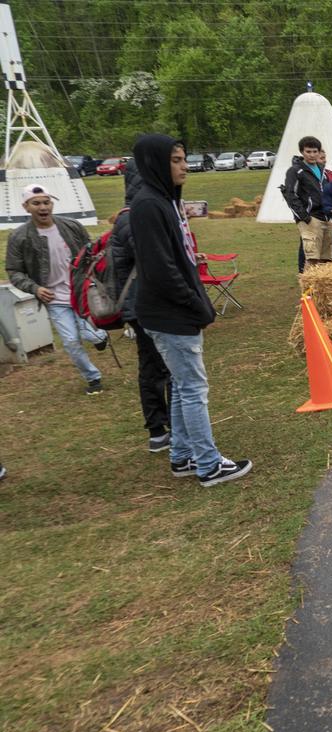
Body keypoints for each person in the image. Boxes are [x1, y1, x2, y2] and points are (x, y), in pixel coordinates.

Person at [131, 133, 251, 487]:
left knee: (184, 387)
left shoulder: (165, 200)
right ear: (156, 163)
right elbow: (160, 271)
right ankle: (209, 464)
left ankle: (182, 456)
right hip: (169, 314)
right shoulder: (148, 205)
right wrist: (195, 304)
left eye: (184, 159)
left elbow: (173, 257)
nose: (184, 166)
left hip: (173, 311)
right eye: (176, 160)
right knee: (194, 389)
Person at [5, 184, 109, 394]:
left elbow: (91, 254)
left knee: (92, 335)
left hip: (80, 292)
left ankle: (100, 338)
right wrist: (35, 289)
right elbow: (14, 271)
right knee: (71, 341)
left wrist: (94, 278)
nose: (42, 207)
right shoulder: (19, 236)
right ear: (26, 207)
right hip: (54, 299)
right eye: (36, 203)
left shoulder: (72, 226)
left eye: (46, 202)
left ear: (52, 204)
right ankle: (93, 378)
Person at [110, 161, 172, 452]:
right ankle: (160, 428)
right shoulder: (136, 217)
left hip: (144, 304)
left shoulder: (133, 214)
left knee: (157, 366)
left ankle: (164, 425)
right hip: (146, 305)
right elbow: (154, 260)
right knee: (157, 367)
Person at [281, 135, 332, 270]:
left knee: (326, 258)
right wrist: (304, 217)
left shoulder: (322, 169)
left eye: (315, 151)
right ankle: (309, 291)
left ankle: (323, 289)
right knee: (312, 259)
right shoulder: (296, 171)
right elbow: (290, 195)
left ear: (319, 152)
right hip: (310, 218)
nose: (312, 155)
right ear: (302, 152)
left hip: (326, 216)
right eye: (308, 152)